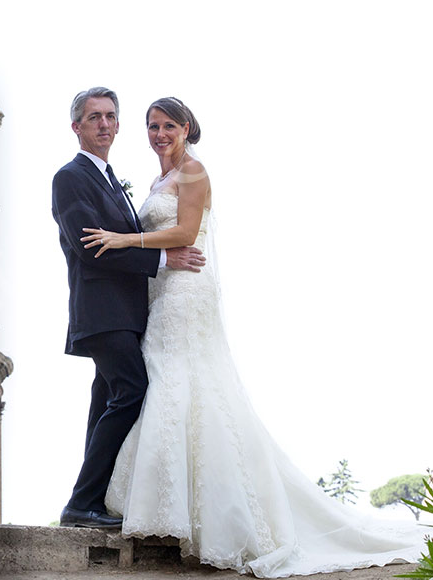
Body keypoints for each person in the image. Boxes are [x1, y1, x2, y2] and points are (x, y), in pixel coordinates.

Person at [81, 97, 427, 577]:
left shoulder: (195, 171)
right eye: (152, 126)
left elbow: (186, 230)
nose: (159, 133)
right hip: (159, 293)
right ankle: (164, 508)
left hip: (186, 290)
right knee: (164, 386)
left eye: (168, 126)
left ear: (186, 129)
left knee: (184, 384)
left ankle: (210, 517)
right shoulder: (159, 179)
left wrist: (126, 240)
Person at [51, 88, 205, 529]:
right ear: (76, 127)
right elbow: (88, 245)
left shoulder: (109, 177)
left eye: (111, 116)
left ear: (118, 126)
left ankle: (91, 501)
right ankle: (82, 503)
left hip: (127, 312)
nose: (104, 124)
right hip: (102, 311)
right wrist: (161, 260)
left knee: (106, 401)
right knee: (132, 391)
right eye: (94, 117)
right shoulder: (71, 176)